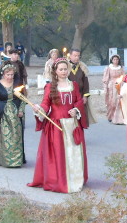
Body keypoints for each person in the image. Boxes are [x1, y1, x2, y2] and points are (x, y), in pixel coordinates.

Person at [29, 58, 88, 193]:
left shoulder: (73, 85)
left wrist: (76, 110)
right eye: (61, 69)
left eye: (65, 69)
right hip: (56, 125)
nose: (63, 72)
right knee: (58, 154)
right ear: (55, 71)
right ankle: (58, 179)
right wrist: (40, 109)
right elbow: (45, 103)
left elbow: (78, 101)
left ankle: (74, 178)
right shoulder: (50, 87)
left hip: (72, 125)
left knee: (73, 152)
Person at [102, 54, 125, 123]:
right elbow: (105, 78)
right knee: (112, 102)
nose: (116, 61)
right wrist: (105, 87)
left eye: (117, 59)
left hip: (119, 85)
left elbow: (123, 77)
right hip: (111, 86)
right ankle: (110, 116)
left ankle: (118, 118)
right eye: (114, 59)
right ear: (112, 60)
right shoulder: (108, 68)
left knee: (119, 101)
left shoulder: (120, 68)